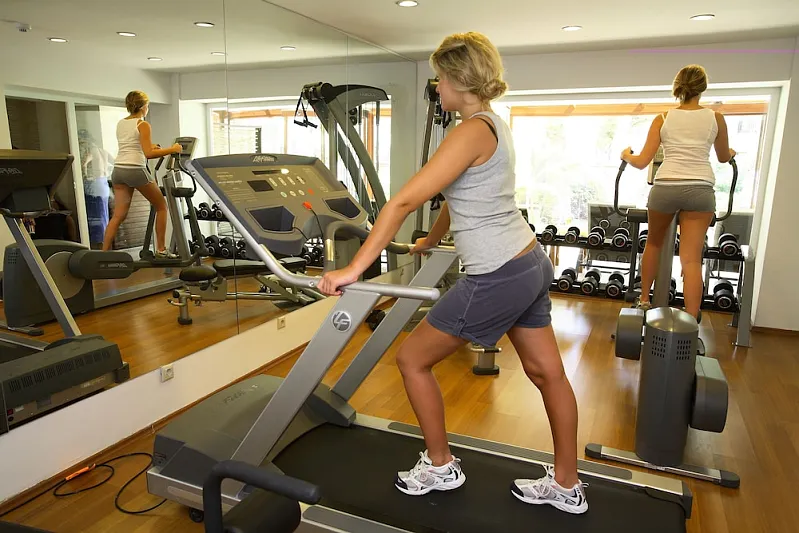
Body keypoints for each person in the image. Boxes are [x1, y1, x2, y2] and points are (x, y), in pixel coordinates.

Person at [318, 32, 588, 515]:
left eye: (440, 78)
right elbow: (457, 194)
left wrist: (354, 269)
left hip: (497, 271)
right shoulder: (492, 125)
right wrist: (429, 240)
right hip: (527, 259)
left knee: (411, 359)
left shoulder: (468, 132)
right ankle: (568, 484)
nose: (437, 86)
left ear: (460, 79)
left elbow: (403, 202)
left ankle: (440, 465)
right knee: (548, 373)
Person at [621, 64, 735, 319]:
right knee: (691, 259)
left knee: (653, 243)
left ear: (678, 87)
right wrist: (731, 153)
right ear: (702, 88)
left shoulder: (662, 118)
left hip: (666, 187)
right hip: (700, 189)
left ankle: (644, 300)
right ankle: (691, 320)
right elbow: (723, 157)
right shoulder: (715, 118)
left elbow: (642, 161)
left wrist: (626, 155)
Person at [102, 90, 182, 256]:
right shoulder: (143, 124)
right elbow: (148, 154)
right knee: (161, 206)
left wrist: (152, 146)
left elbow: (131, 145)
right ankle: (161, 249)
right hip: (135, 170)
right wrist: (173, 149)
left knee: (118, 216)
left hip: (118, 170)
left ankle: (103, 254)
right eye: (148, 105)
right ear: (143, 106)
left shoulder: (121, 123)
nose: (147, 108)